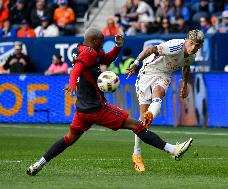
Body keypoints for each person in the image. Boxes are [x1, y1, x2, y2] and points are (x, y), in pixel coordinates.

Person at [26, 28, 193, 176]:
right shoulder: (89, 53)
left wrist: (118, 47)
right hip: (97, 109)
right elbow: (77, 68)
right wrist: (71, 84)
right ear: (94, 41)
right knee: (137, 126)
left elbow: (106, 59)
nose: (103, 43)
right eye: (101, 40)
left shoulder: (85, 49)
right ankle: (173, 150)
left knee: (68, 139)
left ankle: (38, 164)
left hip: (82, 110)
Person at [126, 29, 204, 172]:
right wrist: (135, 63)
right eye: (191, 43)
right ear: (186, 40)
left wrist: (185, 85)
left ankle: (150, 115)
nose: (193, 48)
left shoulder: (192, 56)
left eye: (197, 45)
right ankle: (136, 153)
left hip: (164, 75)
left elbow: (186, 67)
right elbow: (150, 49)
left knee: (159, 93)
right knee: (142, 121)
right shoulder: (175, 46)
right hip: (147, 72)